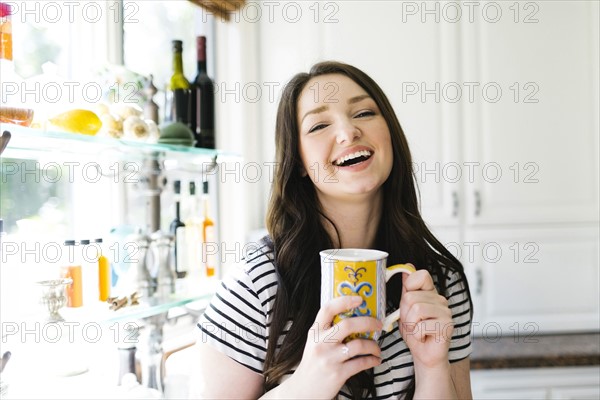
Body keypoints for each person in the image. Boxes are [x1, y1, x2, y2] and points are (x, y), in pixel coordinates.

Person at [192, 61, 473, 399]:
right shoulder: (255, 285)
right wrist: (309, 383)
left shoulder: (440, 283)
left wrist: (432, 367)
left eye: (365, 113)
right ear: (297, 162)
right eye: (319, 124)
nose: (347, 132)